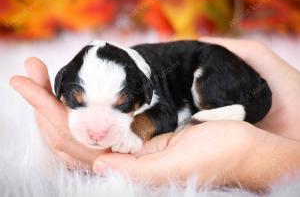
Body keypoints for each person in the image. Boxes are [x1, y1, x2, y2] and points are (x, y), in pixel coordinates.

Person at [10, 37, 300, 191]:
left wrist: (138, 129)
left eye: (120, 105)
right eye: (77, 103)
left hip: (212, 68)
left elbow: (164, 113)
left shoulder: (144, 82)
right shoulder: (121, 77)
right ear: (61, 86)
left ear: (141, 94)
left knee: (208, 71)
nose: (96, 129)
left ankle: (229, 109)